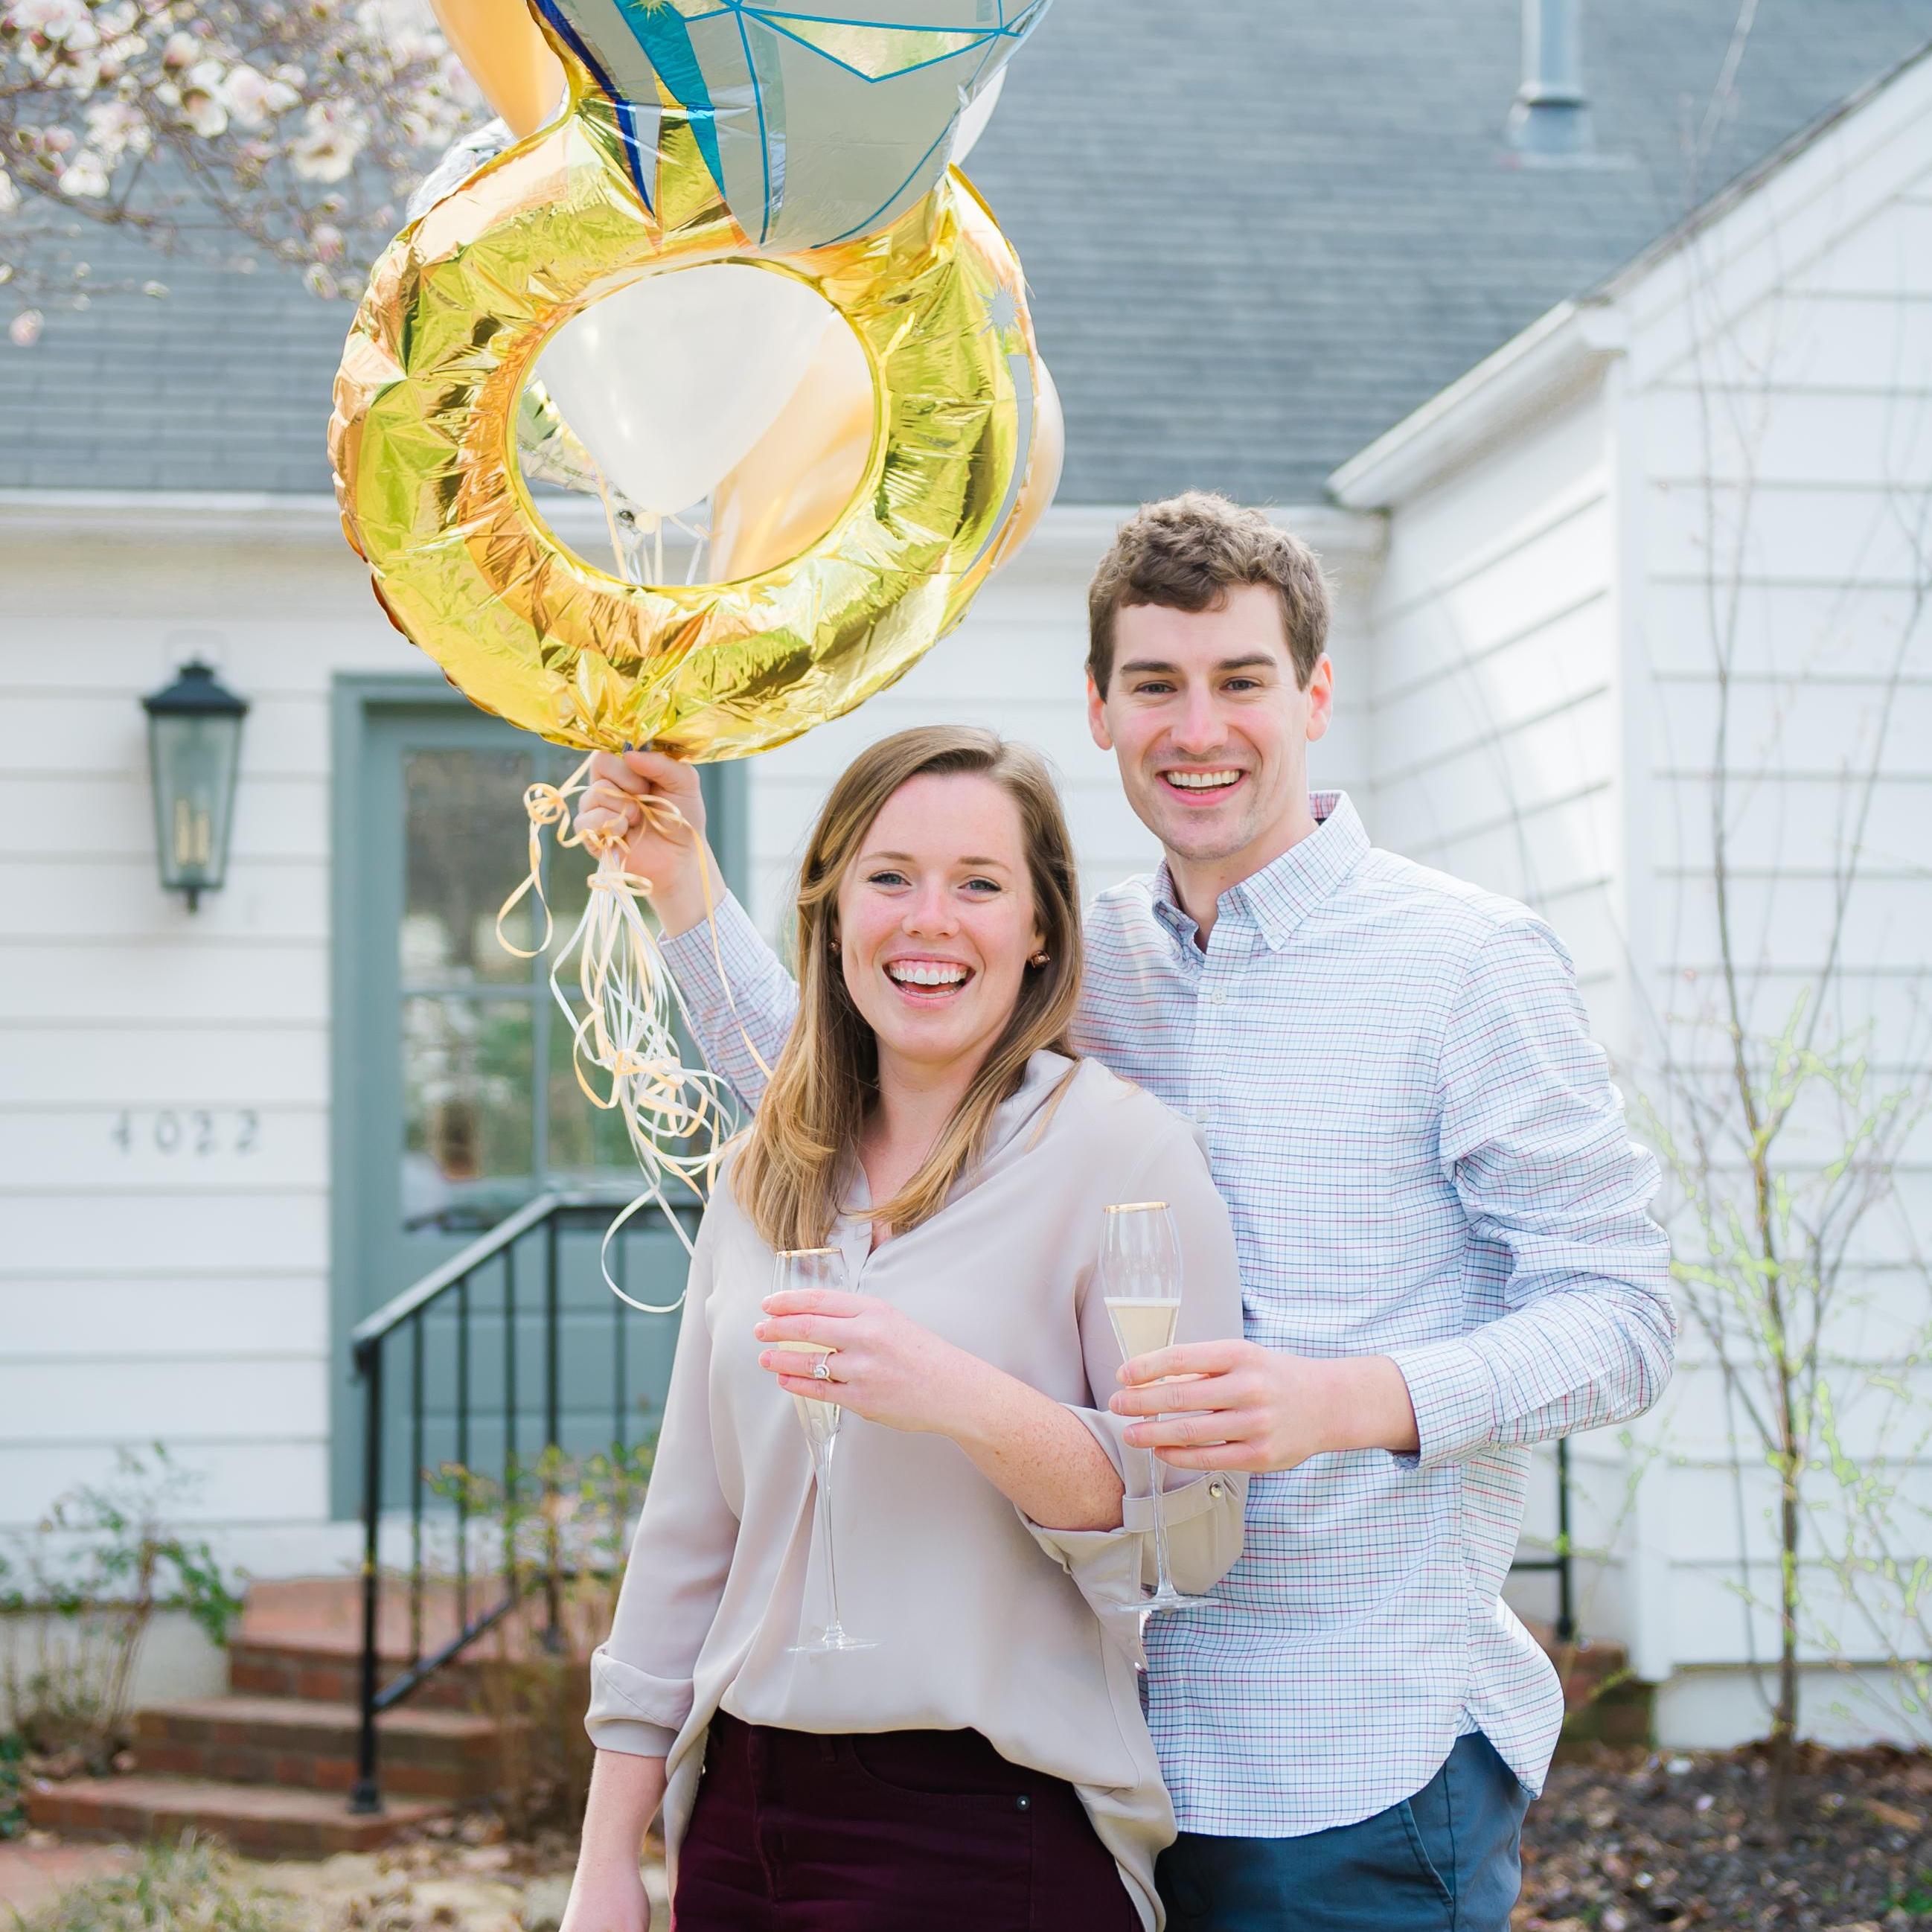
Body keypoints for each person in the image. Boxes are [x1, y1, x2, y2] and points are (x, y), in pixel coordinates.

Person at [577, 493, 1678, 1931]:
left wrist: (1352, 1400)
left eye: (1242, 682)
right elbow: (849, 1097)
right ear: (1099, 710)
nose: (1197, 726)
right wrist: (685, 889)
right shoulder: (1082, 965)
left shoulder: (1464, 965)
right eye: (1155, 684)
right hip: (1106, 1761)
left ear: (1317, 697)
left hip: (1350, 1758)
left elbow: (1629, 1317)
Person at [561, 726, 1248, 1932]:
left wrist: (957, 1393)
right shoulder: (765, 1170)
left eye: (979, 885)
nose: (929, 919)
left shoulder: (1126, 1157)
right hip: (735, 1822)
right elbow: (688, 1530)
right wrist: (606, 1853)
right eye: (890, 877)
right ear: (831, 914)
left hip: (985, 1831)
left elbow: (1183, 1541)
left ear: (1040, 931)